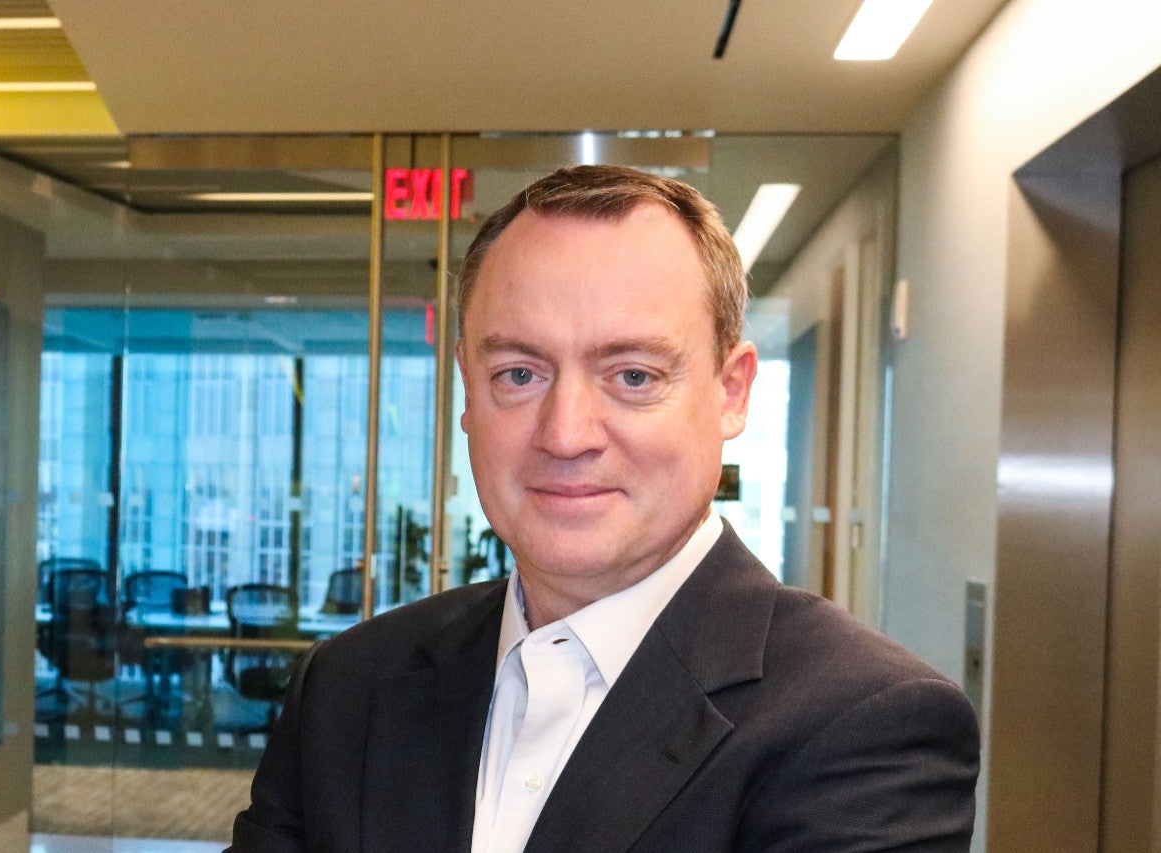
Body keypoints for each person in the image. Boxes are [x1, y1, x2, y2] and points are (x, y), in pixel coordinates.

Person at [229, 166, 980, 852]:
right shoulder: (349, 686)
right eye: (519, 373)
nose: (565, 435)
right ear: (467, 389)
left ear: (731, 392)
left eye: (633, 375)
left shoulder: (867, 725)